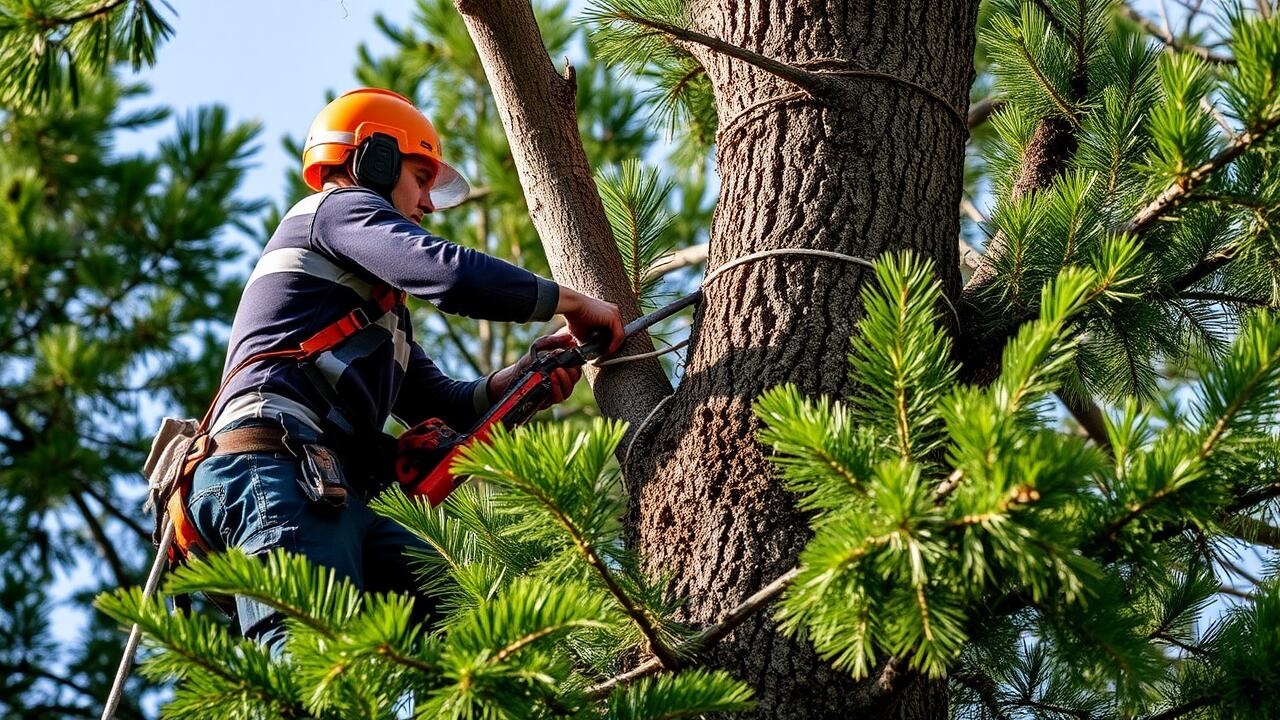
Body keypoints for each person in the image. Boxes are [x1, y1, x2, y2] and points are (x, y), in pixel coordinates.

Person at [185, 87, 624, 646]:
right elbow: (451, 275)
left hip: (329, 488)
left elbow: (438, 399)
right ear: (376, 160)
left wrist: (520, 378)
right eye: (420, 178)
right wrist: (573, 301)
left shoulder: (364, 306)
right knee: (308, 663)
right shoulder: (334, 210)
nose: (427, 204)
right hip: (278, 470)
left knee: (470, 615)